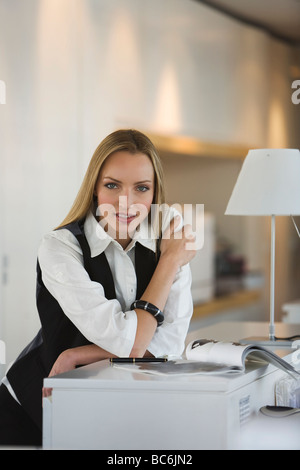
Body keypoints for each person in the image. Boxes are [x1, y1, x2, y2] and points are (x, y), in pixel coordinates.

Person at [0, 129, 196, 447]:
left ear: (155, 193)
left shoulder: (167, 236)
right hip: (34, 403)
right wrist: (171, 261)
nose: (126, 203)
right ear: (94, 187)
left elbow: (170, 344)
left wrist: (81, 354)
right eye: (112, 185)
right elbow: (134, 346)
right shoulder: (59, 247)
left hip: (110, 400)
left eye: (141, 188)